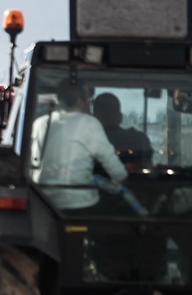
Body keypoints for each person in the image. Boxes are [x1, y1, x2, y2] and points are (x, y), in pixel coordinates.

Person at [31, 80, 127, 211]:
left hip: (44, 200)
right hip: (80, 202)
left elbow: (32, 162)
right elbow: (110, 162)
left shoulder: (40, 124)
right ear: (79, 101)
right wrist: (123, 179)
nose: (89, 104)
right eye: (88, 99)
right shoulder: (89, 123)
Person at [92, 92, 153, 171]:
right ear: (120, 117)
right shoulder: (139, 140)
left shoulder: (85, 141)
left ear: (94, 118)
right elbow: (148, 171)